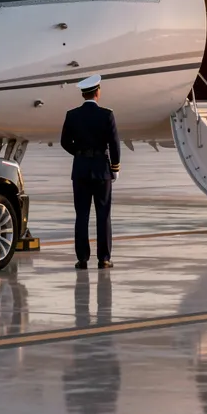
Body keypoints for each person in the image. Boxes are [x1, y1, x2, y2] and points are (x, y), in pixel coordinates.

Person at [60, 74, 120, 269]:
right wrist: (115, 167)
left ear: (83, 94)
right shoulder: (106, 115)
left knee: (82, 215)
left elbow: (64, 142)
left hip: (80, 170)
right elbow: (114, 144)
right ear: (97, 92)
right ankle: (104, 258)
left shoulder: (72, 115)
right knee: (103, 214)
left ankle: (82, 259)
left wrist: (79, 154)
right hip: (102, 170)